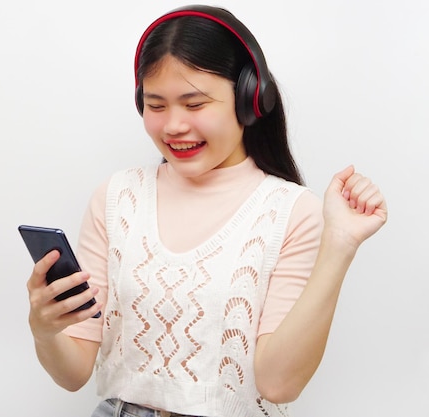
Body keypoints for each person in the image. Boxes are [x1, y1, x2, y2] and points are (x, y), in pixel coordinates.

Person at [26, 5, 388, 417]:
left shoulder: (291, 212)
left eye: (194, 104)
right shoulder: (117, 197)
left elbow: (279, 383)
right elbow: (72, 373)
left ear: (251, 99)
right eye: (156, 105)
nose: (173, 126)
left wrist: (338, 246)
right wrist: (45, 328)